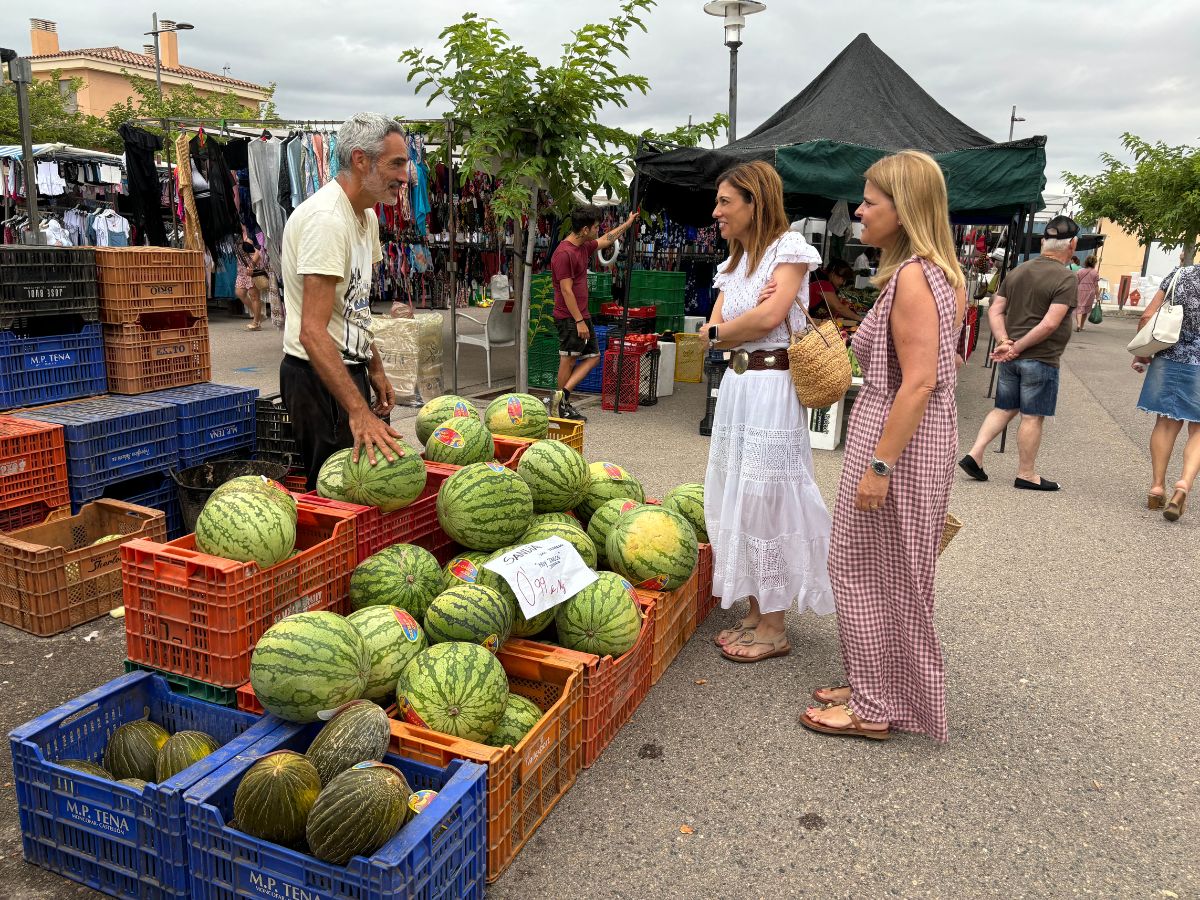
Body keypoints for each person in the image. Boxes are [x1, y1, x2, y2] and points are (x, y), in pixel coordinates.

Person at [799, 150, 966, 743]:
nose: (860, 212)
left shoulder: (916, 277)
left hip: (897, 442)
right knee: (890, 569)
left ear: (906, 208)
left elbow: (919, 380)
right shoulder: (933, 273)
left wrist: (879, 465)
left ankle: (873, 706)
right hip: (912, 436)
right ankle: (877, 680)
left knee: (860, 567)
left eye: (871, 201)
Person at [700, 160, 834, 663]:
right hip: (738, 386)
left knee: (766, 496)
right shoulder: (734, 263)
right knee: (736, 490)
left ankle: (775, 625)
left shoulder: (790, 249)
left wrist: (733, 325)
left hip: (772, 388)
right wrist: (734, 325)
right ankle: (758, 611)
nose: (717, 212)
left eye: (725, 202)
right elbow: (714, 329)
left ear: (755, 201)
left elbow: (768, 319)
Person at [279, 112, 408, 491]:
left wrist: (376, 367)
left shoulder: (366, 217)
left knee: (364, 489)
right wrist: (358, 410)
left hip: (345, 369)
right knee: (338, 492)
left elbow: (357, 306)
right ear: (360, 159)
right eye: (396, 163)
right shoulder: (326, 221)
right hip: (316, 377)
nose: (405, 176)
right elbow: (312, 333)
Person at [958, 216, 1080, 491]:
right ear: (1072, 245)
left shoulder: (1018, 271)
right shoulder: (1066, 278)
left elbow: (996, 309)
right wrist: (1016, 348)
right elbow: (1050, 323)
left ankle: (975, 454)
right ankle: (1026, 474)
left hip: (1011, 355)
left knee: (1004, 407)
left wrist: (1004, 341)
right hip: (1041, 357)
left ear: (1042, 242)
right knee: (1032, 415)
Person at [547, 205, 638, 421]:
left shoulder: (583, 246)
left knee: (593, 357)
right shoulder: (564, 253)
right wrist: (579, 321)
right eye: (596, 226)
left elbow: (606, 239)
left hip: (582, 315)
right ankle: (559, 406)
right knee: (568, 360)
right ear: (586, 229)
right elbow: (566, 290)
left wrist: (627, 224)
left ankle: (561, 398)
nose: (599, 229)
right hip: (570, 317)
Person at [1132, 262, 1200, 521]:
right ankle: (1183, 485)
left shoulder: (1180, 274)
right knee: (1198, 428)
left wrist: (1142, 354)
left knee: (1166, 422)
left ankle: (1157, 487)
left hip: (1168, 357)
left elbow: (1147, 316)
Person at [235, 237, 267, 331]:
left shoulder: (252, 231)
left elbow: (260, 249)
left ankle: (256, 323)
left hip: (252, 266)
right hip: (241, 268)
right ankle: (259, 315)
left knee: (254, 295)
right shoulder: (238, 233)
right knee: (240, 292)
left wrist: (252, 265)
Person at [1074, 255, 1101, 331]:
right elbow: (1096, 286)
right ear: (1094, 263)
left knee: (1079, 308)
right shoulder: (1095, 273)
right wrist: (1098, 296)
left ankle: (1078, 325)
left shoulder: (1080, 271)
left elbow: (1076, 282)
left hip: (1080, 291)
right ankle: (1082, 326)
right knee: (1085, 309)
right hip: (1090, 292)